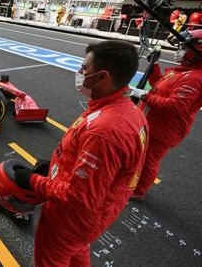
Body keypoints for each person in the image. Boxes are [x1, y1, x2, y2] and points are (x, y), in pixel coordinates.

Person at [15, 40, 148, 267]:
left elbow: (79, 197)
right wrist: (55, 169)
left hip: (70, 219)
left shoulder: (105, 130)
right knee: (77, 252)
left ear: (102, 77)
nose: (79, 72)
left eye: (85, 68)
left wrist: (34, 181)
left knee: (52, 259)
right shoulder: (129, 111)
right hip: (93, 216)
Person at [130, 29, 202, 199]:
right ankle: (130, 181)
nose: (179, 51)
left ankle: (138, 191)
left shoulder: (194, 78)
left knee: (148, 161)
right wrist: (154, 65)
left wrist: (144, 95)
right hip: (152, 123)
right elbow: (158, 84)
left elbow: (174, 106)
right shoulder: (183, 71)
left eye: (184, 47)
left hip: (165, 129)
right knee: (139, 155)